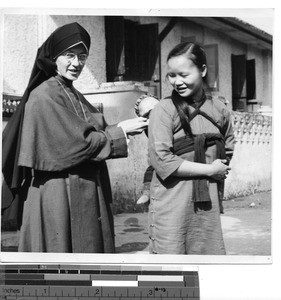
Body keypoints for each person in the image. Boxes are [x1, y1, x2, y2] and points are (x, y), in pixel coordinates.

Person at [1, 22, 148, 253]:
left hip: (86, 187)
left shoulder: (73, 92)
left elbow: (88, 131)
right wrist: (120, 132)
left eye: (83, 56)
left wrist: (122, 127)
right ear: (54, 56)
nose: (76, 63)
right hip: (58, 191)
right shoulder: (43, 96)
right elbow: (75, 145)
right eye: (69, 55)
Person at [147, 42, 235, 255]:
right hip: (171, 201)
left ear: (203, 70)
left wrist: (215, 167)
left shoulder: (220, 110)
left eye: (184, 75)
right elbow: (161, 160)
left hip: (207, 203)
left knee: (207, 263)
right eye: (171, 76)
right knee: (170, 269)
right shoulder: (163, 110)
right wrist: (209, 170)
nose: (177, 82)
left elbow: (228, 147)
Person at [134, 94, 159, 205]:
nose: (153, 116)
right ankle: (147, 193)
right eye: (148, 115)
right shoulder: (151, 130)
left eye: (156, 110)